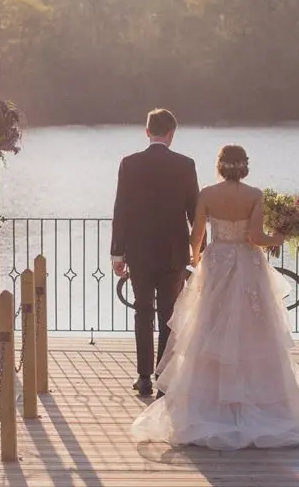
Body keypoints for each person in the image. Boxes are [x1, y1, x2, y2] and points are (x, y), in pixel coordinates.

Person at [130, 144, 299, 450]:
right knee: (253, 331)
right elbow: (255, 238)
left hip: (217, 263)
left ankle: (206, 403)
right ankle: (254, 397)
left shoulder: (207, 193)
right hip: (247, 265)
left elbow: (197, 236)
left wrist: (196, 260)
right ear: (244, 166)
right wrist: (279, 238)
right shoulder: (254, 195)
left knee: (208, 331)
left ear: (220, 165)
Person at [110, 108, 203, 398]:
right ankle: (164, 378)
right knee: (168, 314)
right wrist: (197, 251)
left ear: (147, 131)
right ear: (171, 134)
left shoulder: (129, 164)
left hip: (138, 251)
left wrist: (117, 253)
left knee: (142, 312)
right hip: (174, 252)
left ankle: (143, 377)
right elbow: (195, 214)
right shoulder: (185, 165)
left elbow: (121, 210)